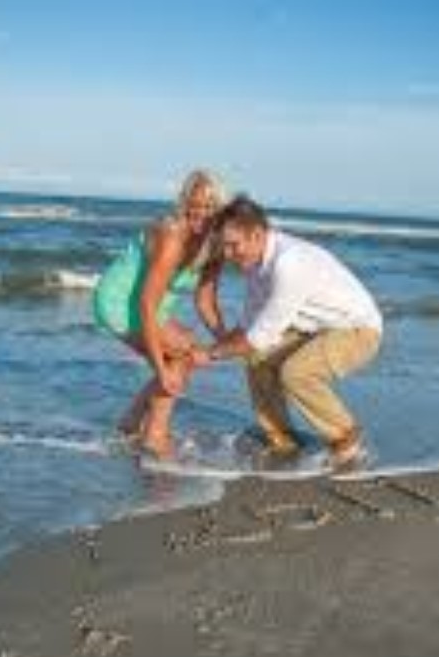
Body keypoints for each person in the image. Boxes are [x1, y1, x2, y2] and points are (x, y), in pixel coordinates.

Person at [198, 195, 382, 467]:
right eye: (223, 247)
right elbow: (250, 328)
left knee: (296, 372)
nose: (227, 255)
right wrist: (213, 348)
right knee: (257, 359)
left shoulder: (289, 263)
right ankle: (282, 440)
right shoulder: (255, 265)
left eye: (233, 245)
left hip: (358, 330)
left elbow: (260, 336)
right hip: (317, 329)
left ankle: (347, 439)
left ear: (257, 234)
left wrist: (209, 355)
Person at [91, 170, 225, 457]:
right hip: (121, 300)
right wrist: (161, 369)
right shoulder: (172, 235)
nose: (201, 212)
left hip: (155, 304)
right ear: (184, 201)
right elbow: (146, 305)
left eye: (210, 206)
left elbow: (205, 302)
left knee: (188, 348)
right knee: (178, 357)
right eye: (195, 203)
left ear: (220, 209)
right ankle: (154, 436)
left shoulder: (216, 245)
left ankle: (130, 423)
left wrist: (228, 342)